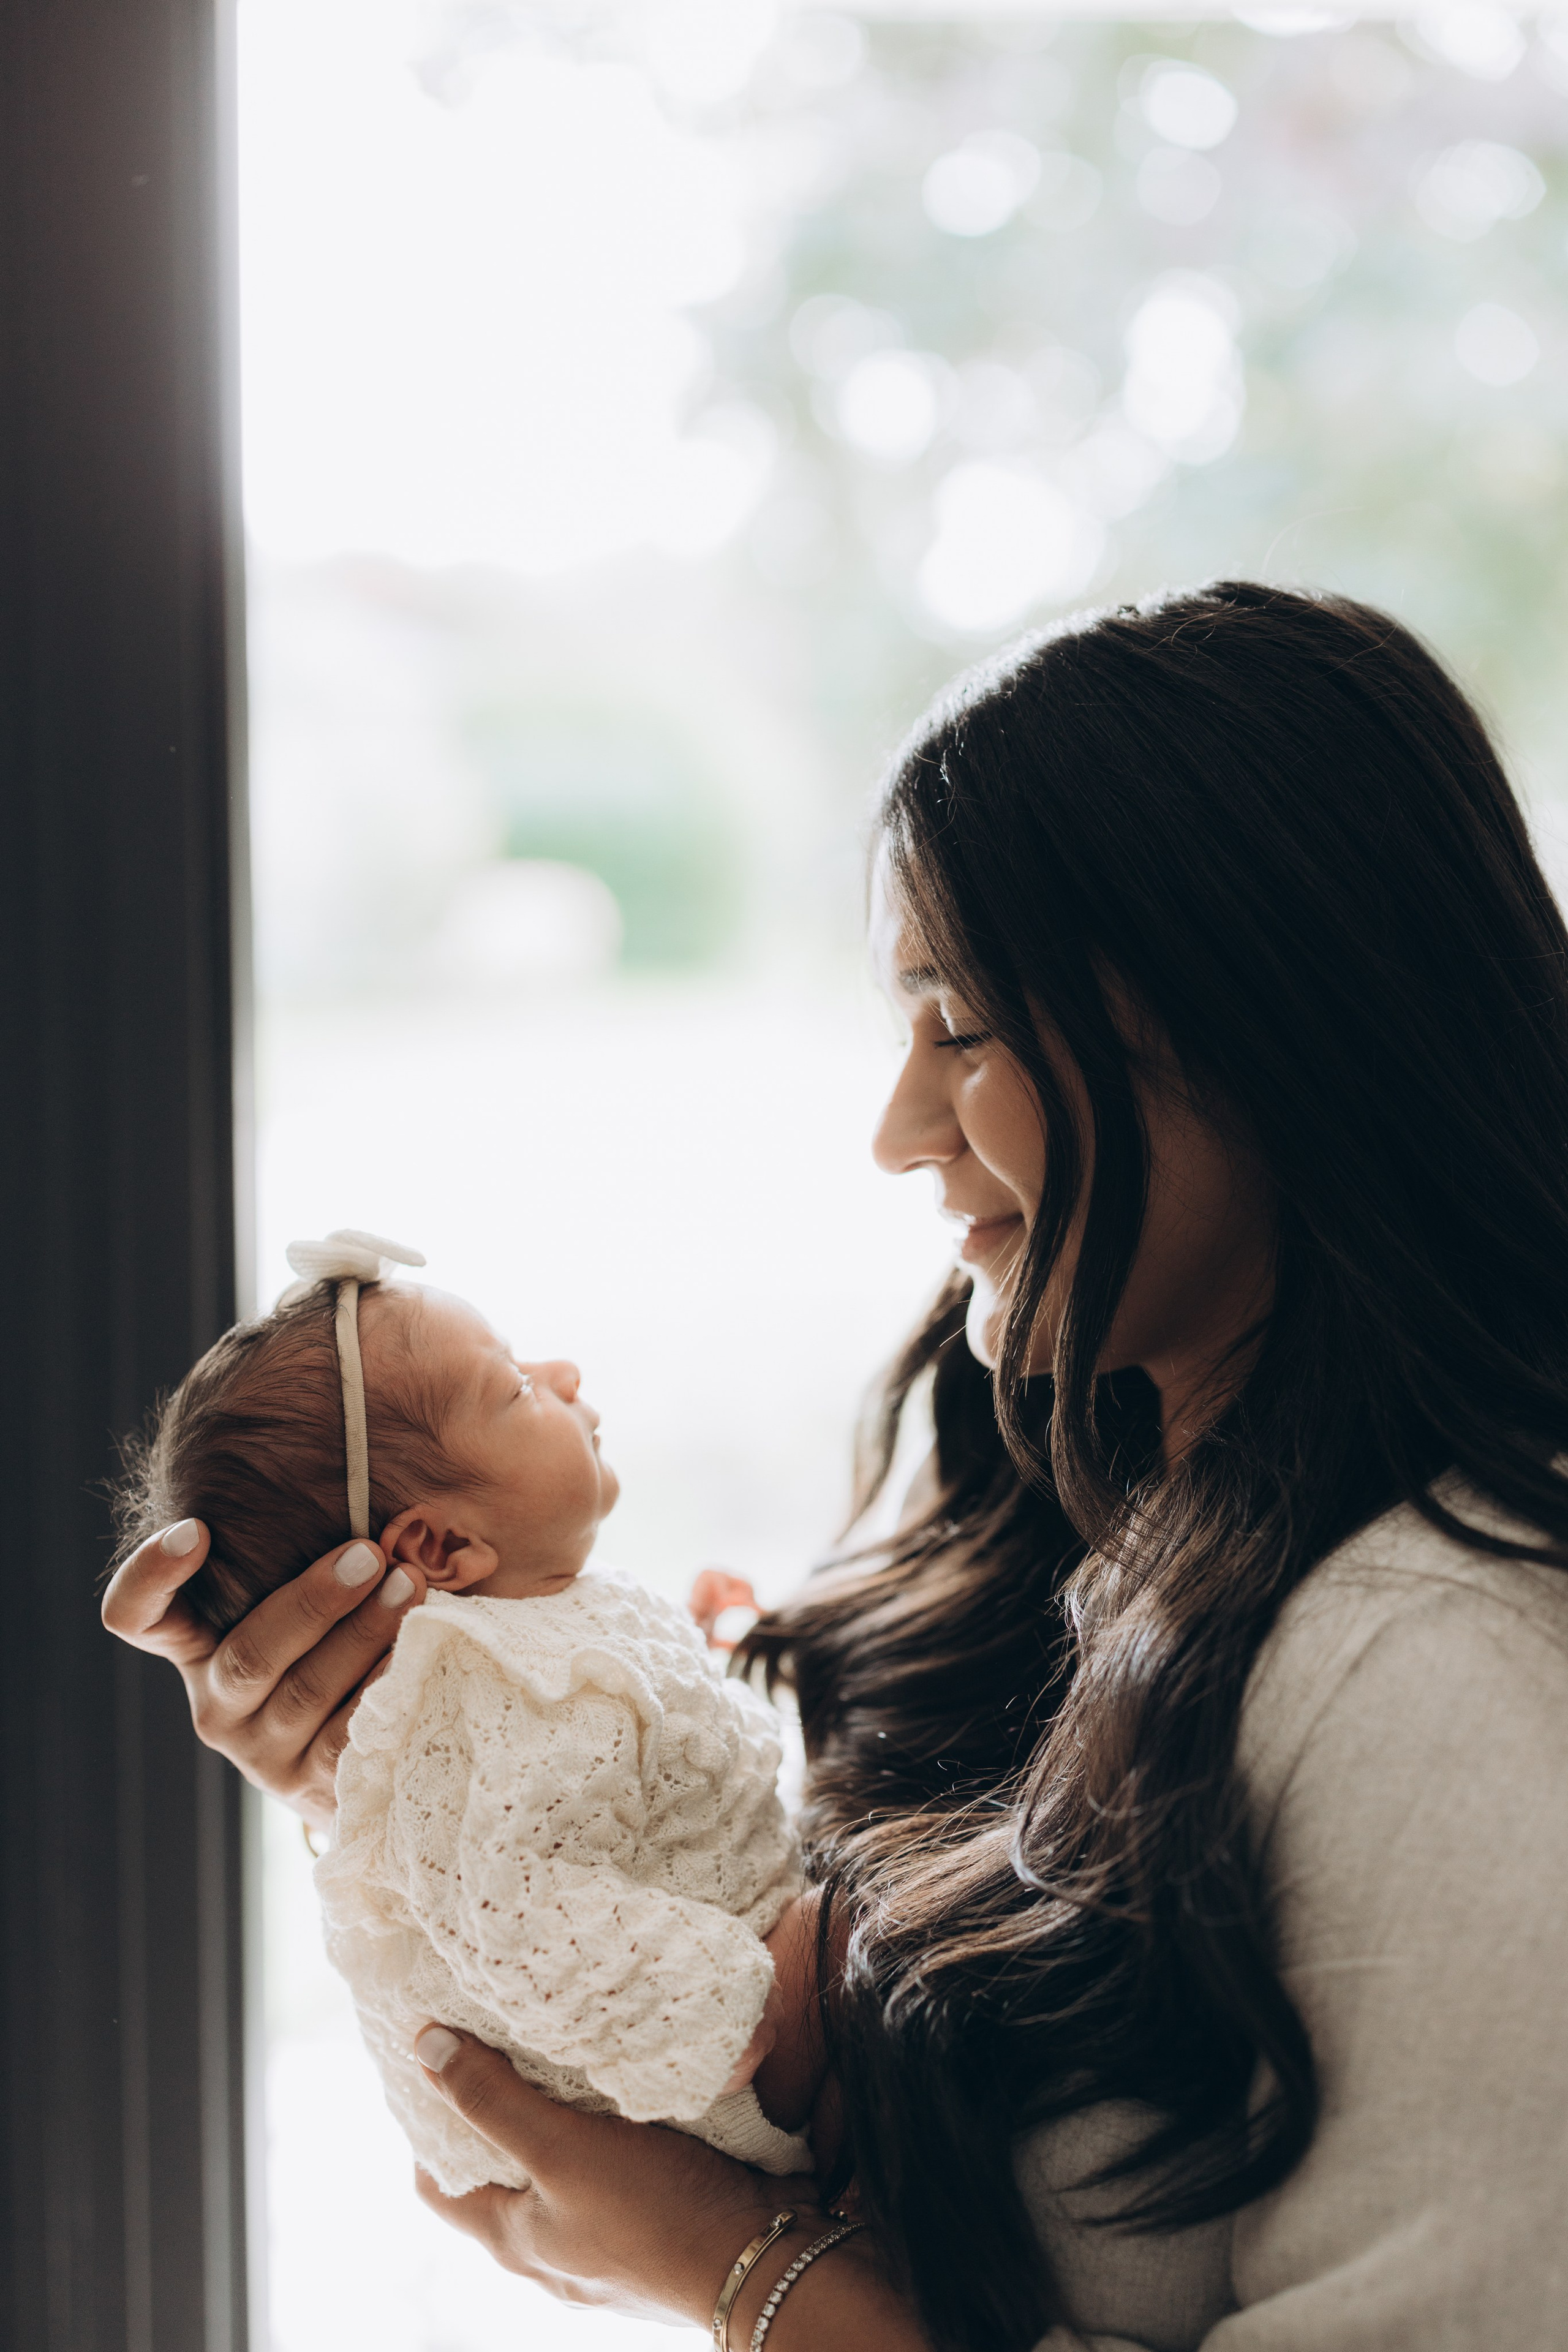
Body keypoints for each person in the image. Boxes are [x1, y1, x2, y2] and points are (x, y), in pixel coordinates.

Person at [104, 582, 1568, 2350]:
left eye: (964, 1027)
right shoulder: (1072, 1498)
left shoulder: (1444, 1668)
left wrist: (732, 2269)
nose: (896, 1131)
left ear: (1273, 1022)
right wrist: (397, 1751)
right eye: (902, 1028)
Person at [110, 1229, 819, 2191]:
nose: (562, 1373)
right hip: (687, 2088)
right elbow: (514, 1901)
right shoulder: (487, 1698)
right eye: (516, 1387)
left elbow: (632, 1772)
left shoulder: (534, 1638)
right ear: (440, 1549)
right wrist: (707, 2013)